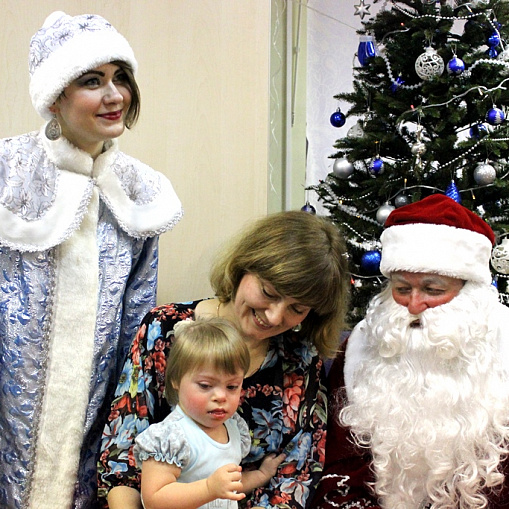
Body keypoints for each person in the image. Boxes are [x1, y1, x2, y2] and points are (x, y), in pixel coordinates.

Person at [0, 11, 182, 509]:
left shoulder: (141, 191)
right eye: (92, 81)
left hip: (95, 421)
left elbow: (136, 322)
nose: (115, 94)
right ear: (55, 97)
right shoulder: (7, 173)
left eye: (120, 77)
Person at [97, 210, 351, 509]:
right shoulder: (165, 329)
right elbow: (120, 459)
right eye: (268, 292)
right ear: (244, 267)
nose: (275, 316)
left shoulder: (300, 359)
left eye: (297, 308)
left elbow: (295, 476)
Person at [311, 193, 509, 509]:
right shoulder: (361, 349)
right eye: (402, 289)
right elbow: (341, 469)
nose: (414, 306)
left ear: (468, 292)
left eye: (433, 290)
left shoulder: (504, 346)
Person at [135, 317, 286, 509]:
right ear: (176, 380)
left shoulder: (233, 428)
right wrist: (208, 488)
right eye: (206, 385)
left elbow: (228, 487)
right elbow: (154, 499)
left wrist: (261, 475)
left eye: (232, 386)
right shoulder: (171, 437)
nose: (221, 396)